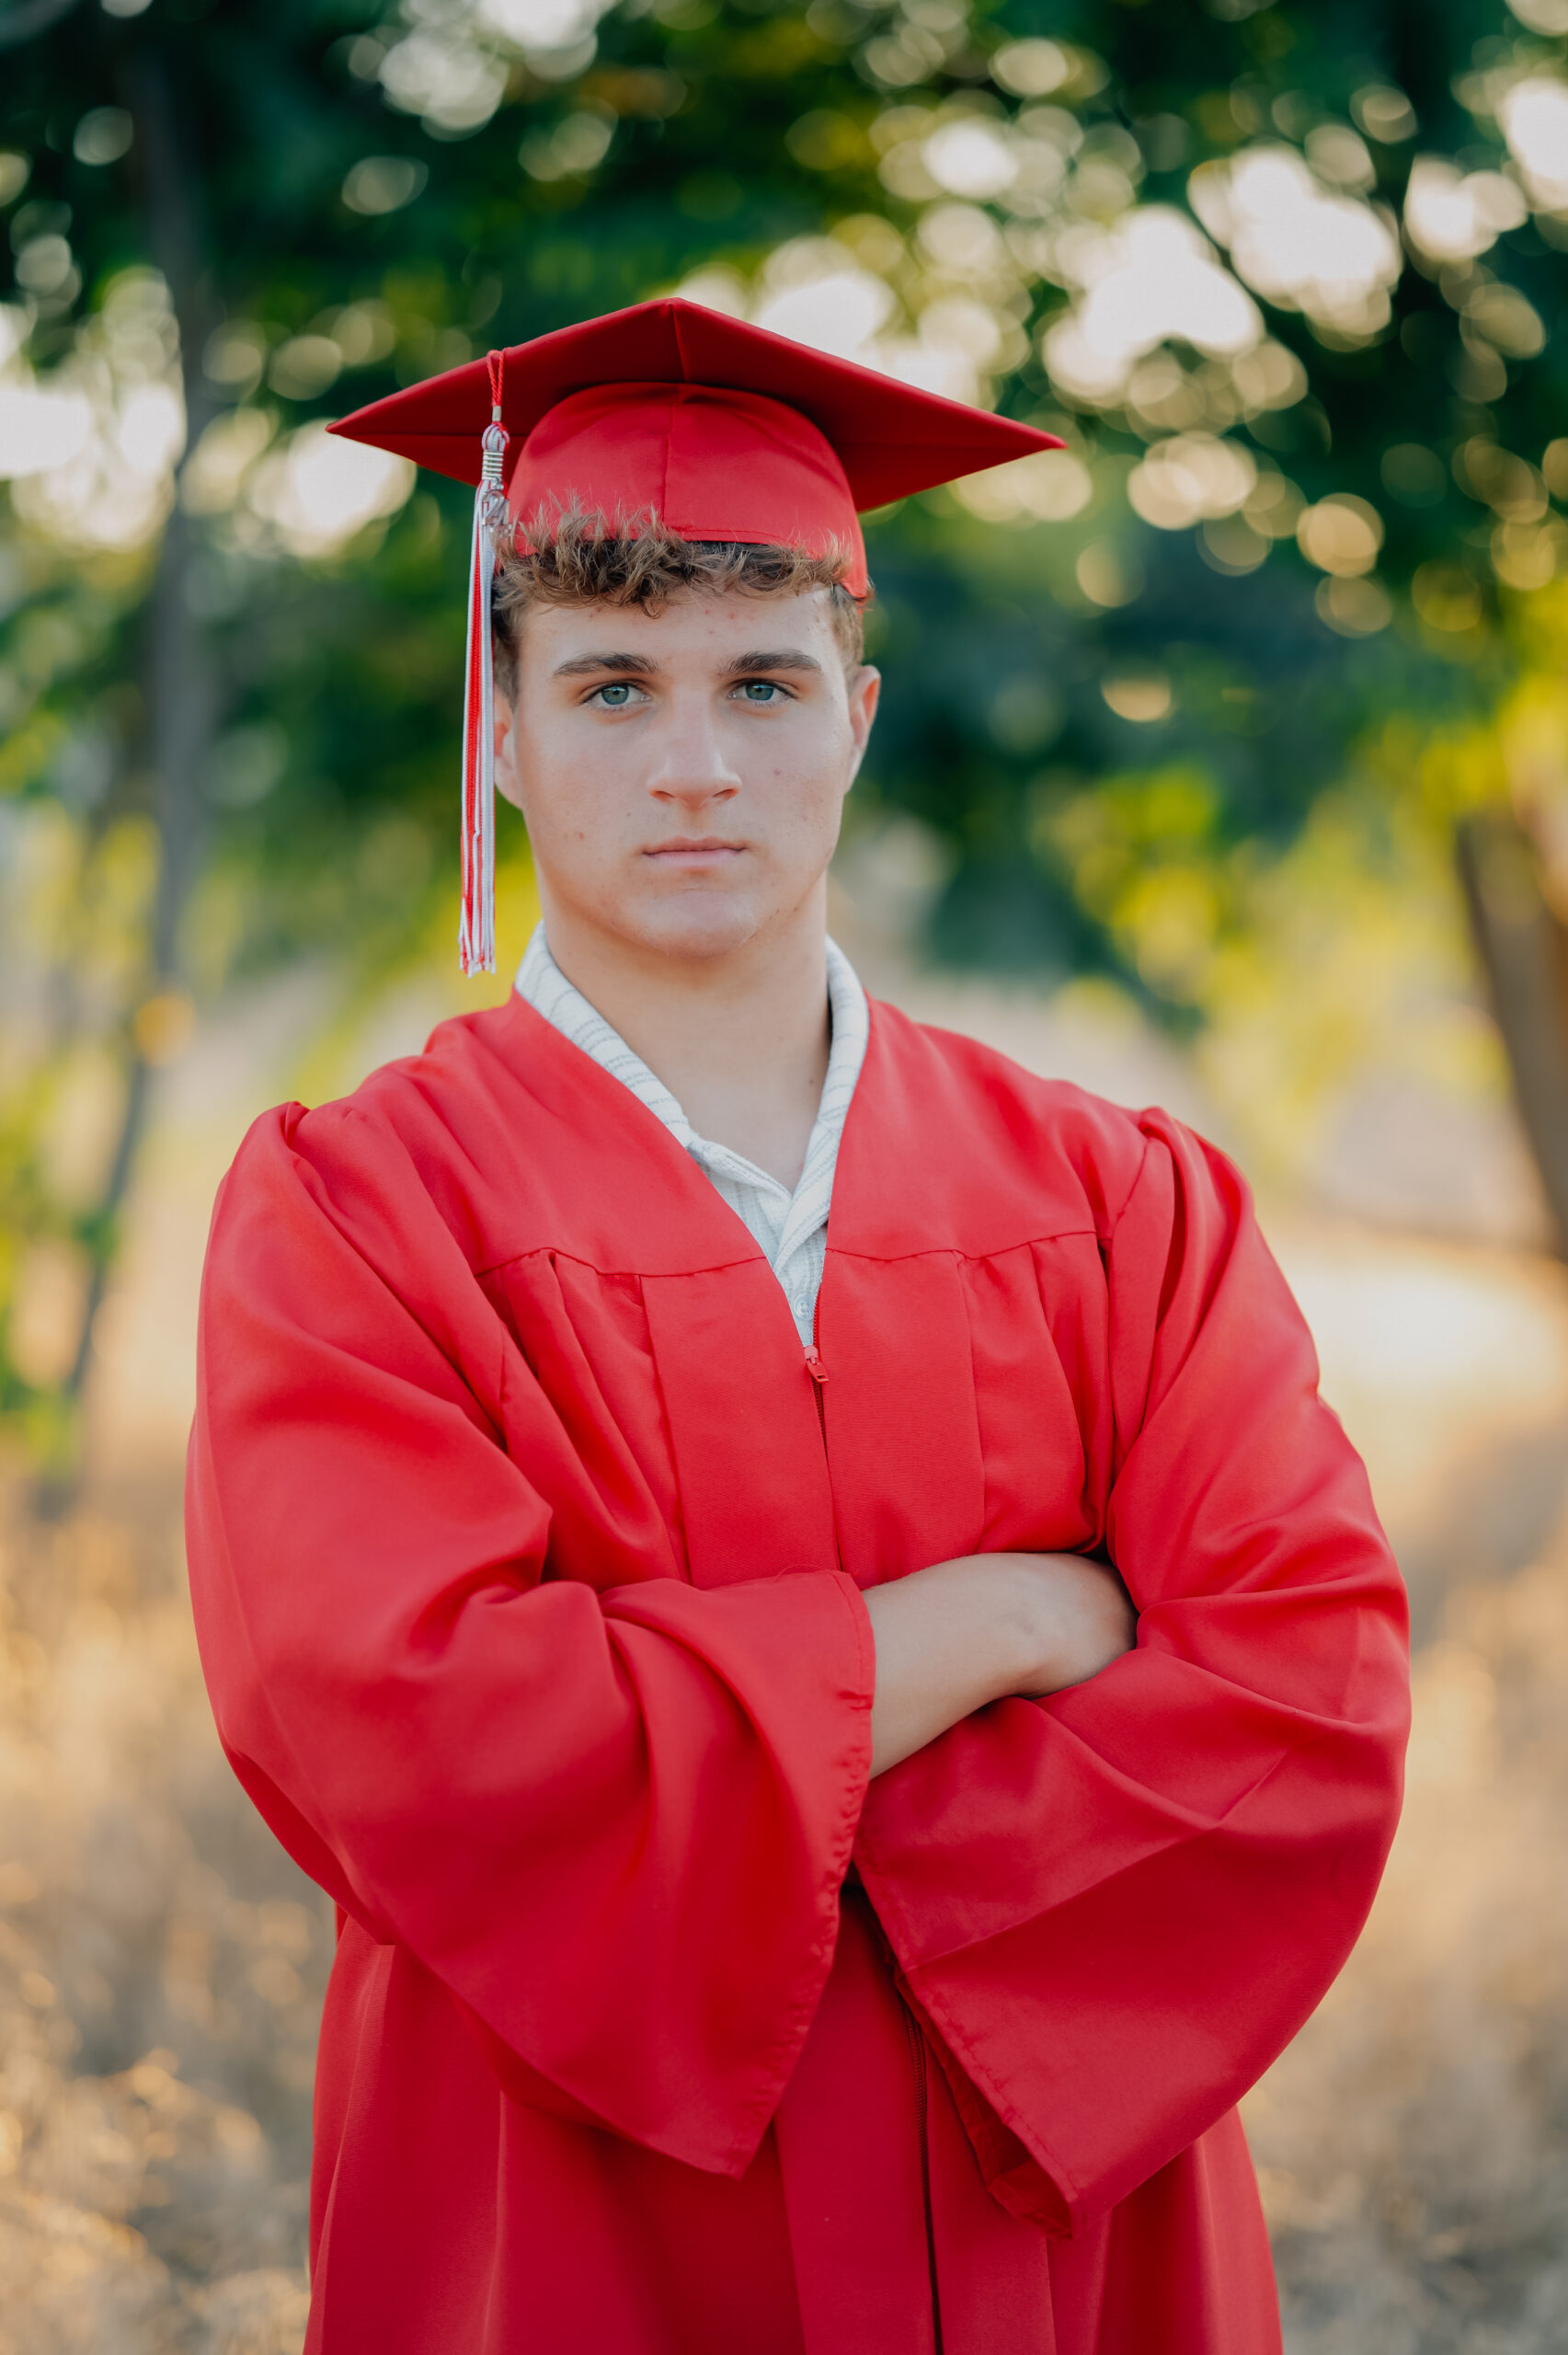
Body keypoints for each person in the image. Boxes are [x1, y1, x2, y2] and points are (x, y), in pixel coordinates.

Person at [185, 298, 1410, 2355]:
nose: (693, 763)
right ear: (499, 726)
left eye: (763, 680)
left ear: (857, 708)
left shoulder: (1120, 1201)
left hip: (1055, 2238)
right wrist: (1000, 1630)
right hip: (574, 2231)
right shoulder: (358, 1215)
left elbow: (1302, 1694)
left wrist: (733, 1793)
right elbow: (417, 1734)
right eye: (609, 685)